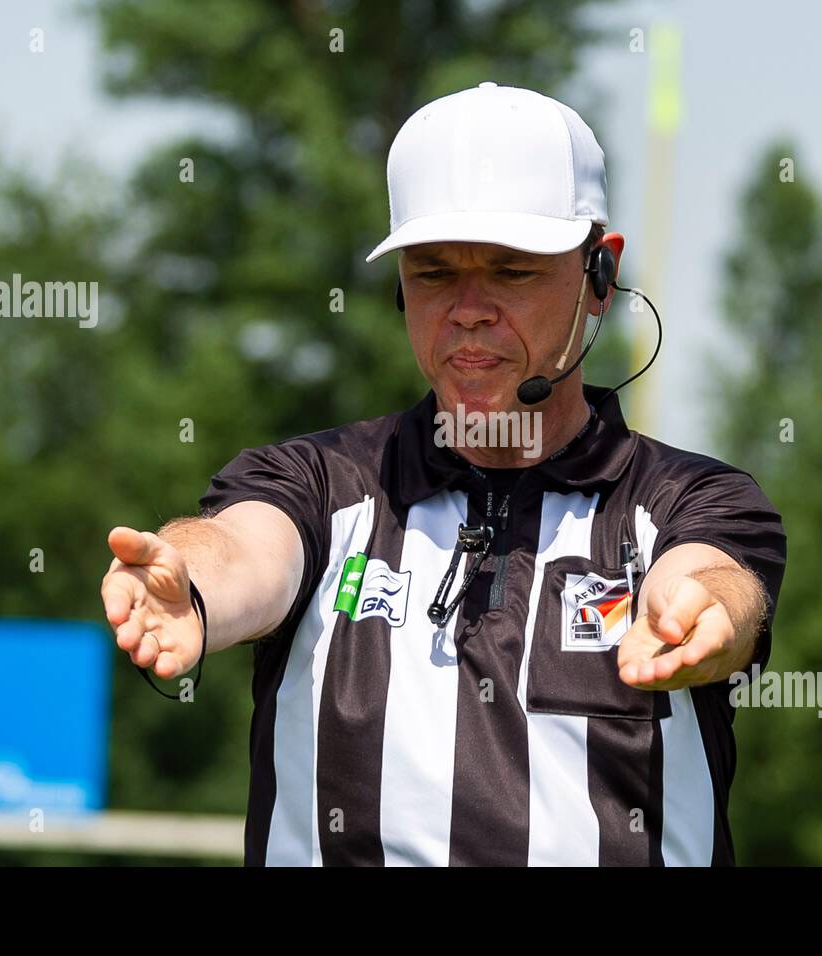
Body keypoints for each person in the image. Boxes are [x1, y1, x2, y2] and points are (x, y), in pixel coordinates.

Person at [100, 82, 786, 866]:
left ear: (600, 272)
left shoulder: (690, 501)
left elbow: (719, 579)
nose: (467, 308)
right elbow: (246, 548)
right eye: (432, 273)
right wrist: (190, 581)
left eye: (512, 271)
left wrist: (703, 611)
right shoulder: (319, 483)